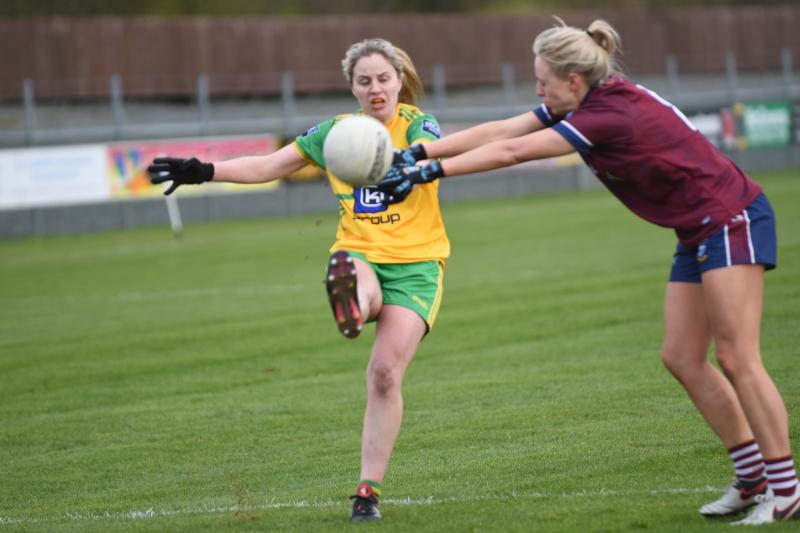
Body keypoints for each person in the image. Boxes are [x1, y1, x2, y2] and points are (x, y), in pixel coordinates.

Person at [379, 18, 798, 525]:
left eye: (543, 82)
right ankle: (752, 477)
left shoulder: (606, 115)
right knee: (683, 356)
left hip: (732, 220)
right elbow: (506, 129)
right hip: (698, 229)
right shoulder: (585, 99)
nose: (537, 90)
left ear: (573, 81)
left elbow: (514, 151)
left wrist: (430, 172)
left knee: (737, 357)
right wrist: (421, 150)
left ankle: (787, 489)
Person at [147, 38, 449, 522]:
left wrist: (404, 162)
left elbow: (435, 152)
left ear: (399, 80)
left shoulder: (418, 124)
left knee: (386, 373)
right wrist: (205, 169)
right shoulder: (334, 134)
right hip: (361, 252)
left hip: (418, 263)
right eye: (364, 81)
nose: (375, 89)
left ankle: (367, 492)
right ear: (352, 87)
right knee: (357, 282)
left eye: (383, 79)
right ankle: (355, 303)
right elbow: (270, 166)